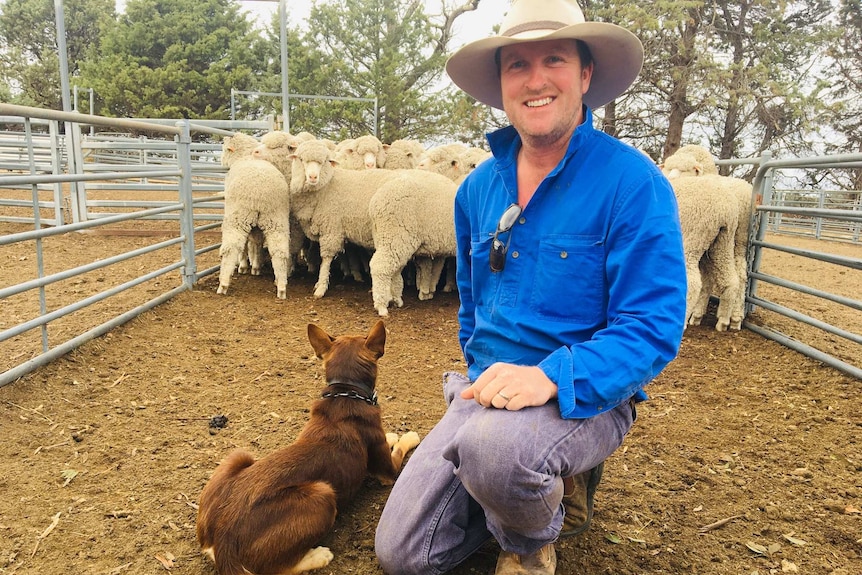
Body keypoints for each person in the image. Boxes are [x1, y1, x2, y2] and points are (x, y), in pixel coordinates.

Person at [375, 0, 687, 573]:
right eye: (517, 64)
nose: (536, 78)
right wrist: (479, 376)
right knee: (405, 556)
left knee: (496, 452)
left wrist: (549, 377)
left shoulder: (633, 183)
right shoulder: (475, 190)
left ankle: (531, 538)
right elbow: (472, 303)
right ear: (501, 83)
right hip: (487, 387)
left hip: (583, 393)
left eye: (554, 59)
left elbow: (653, 327)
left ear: (586, 75)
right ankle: (516, 479)